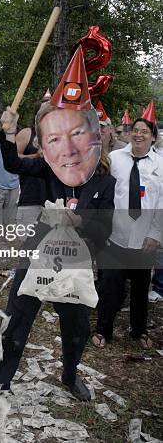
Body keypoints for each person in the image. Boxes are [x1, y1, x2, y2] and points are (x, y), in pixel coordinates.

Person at [0, 47, 115, 402]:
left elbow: (104, 227)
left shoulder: (104, 180)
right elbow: (12, 165)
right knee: (18, 317)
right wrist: (8, 133)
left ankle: (70, 375)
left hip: (74, 261)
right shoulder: (47, 163)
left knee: (77, 327)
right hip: (37, 253)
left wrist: (79, 220)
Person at [92, 116, 163, 349]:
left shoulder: (160, 165)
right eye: (135, 130)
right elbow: (101, 185)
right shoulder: (115, 159)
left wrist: (156, 235)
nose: (138, 134)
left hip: (144, 239)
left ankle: (139, 330)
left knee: (141, 288)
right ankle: (103, 330)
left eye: (144, 131)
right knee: (109, 285)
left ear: (153, 137)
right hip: (114, 237)